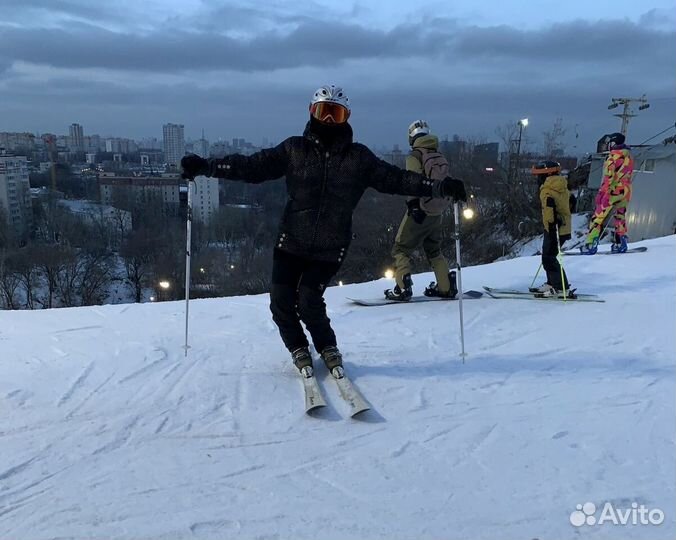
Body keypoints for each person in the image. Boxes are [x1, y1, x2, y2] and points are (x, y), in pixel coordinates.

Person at [180, 85, 467, 379]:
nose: (329, 121)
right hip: (291, 241)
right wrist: (208, 166)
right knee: (281, 303)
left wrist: (438, 187)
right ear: (311, 112)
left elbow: (396, 179)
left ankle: (327, 347)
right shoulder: (294, 150)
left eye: (336, 114)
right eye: (323, 112)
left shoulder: (359, 158)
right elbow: (254, 166)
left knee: (308, 301)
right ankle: (298, 348)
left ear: (346, 117)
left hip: (330, 246)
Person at [384, 120, 456, 301]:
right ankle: (446, 287)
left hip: (420, 211)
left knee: (401, 248)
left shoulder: (415, 156)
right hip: (437, 212)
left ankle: (402, 287)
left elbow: (412, 182)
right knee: (434, 250)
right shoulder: (439, 155)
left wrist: (414, 205)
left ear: (411, 136)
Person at [580, 132, 634, 254]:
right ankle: (621, 242)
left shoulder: (613, 157)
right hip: (625, 191)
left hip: (613, 191)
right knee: (620, 216)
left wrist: (602, 194)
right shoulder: (628, 157)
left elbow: (608, 178)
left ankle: (590, 244)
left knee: (598, 217)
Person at [531, 160, 572, 297]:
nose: (538, 179)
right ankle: (551, 282)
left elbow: (548, 210)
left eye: (539, 176)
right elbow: (572, 201)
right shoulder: (562, 186)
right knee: (549, 256)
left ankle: (561, 287)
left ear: (546, 175)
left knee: (549, 258)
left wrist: (551, 227)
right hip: (563, 227)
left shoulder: (547, 190)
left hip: (554, 228)